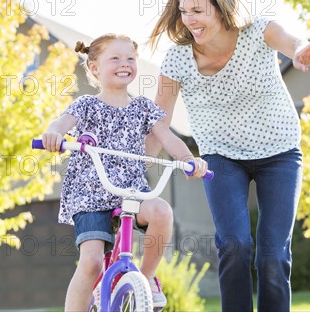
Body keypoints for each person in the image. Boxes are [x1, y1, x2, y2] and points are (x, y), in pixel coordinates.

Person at [147, 0, 310, 312]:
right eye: (184, 11)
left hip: (279, 152)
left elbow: (291, 42)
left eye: (197, 10)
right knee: (234, 244)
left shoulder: (258, 31)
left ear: (220, 5)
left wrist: (302, 51)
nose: (189, 20)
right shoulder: (178, 57)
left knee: (273, 256)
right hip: (221, 156)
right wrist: (133, 169)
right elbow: (159, 123)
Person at [40, 33, 207, 312]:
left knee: (162, 212)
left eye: (130, 58)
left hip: (131, 190)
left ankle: (148, 277)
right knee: (92, 262)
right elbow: (61, 124)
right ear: (94, 68)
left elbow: (166, 136)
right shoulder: (86, 105)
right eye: (115, 58)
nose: (124, 63)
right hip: (90, 194)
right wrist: (53, 134)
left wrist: (189, 159)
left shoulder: (143, 107)